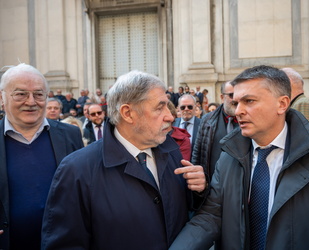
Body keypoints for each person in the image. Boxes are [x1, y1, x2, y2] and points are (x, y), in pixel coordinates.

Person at [170, 65, 309, 250]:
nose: (238, 111)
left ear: (282, 104)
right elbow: (210, 217)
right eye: (236, 102)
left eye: (249, 101)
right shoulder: (228, 159)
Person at [41, 70, 207, 249]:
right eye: (160, 107)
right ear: (128, 113)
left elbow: (182, 212)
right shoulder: (76, 170)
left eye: (168, 106)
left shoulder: (172, 151)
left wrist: (197, 190)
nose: (170, 116)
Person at [0, 63, 84, 250]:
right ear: (2, 98)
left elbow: (84, 189)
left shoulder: (71, 135)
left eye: (39, 94)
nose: (31, 102)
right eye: (20, 94)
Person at [191, 81, 238, 180]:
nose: (236, 99)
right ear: (222, 97)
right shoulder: (207, 120)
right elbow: (198, 152)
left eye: (238, 95)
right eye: (231, 95)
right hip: (213, 183)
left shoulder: (250, 120)